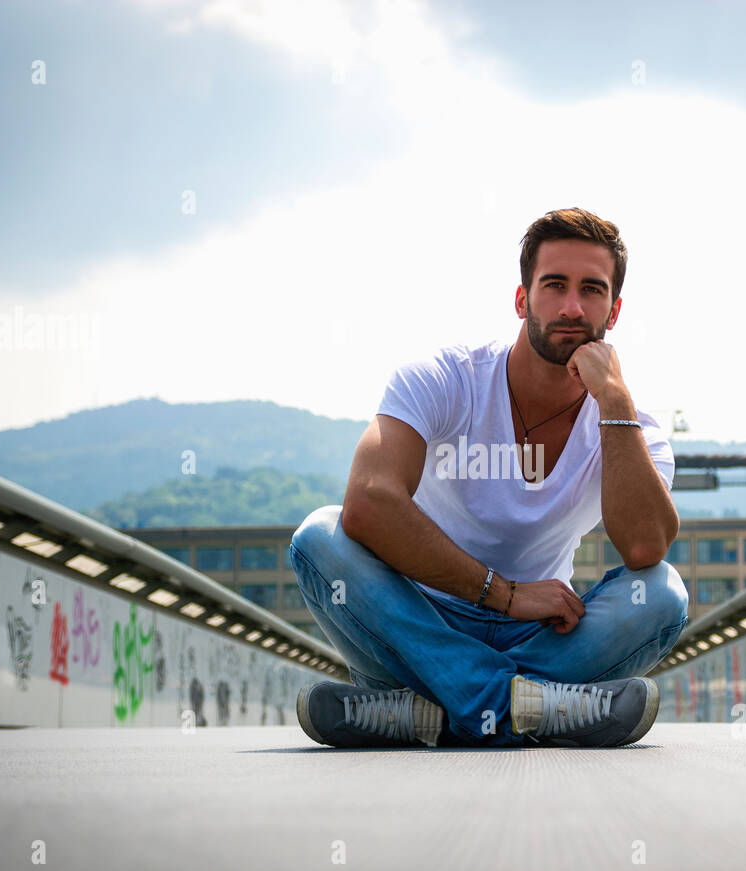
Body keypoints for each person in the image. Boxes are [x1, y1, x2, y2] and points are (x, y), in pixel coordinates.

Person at [290, 207, 688, 749]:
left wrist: (614, 401)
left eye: (592, 290)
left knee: (662, 594)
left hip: (546, 631)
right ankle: (527, 706)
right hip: (420, 614)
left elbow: (645, 546)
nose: (572, 307)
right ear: (522, 300)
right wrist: (503, 594)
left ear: (614, 311)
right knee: (319, 537)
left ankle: (423, 711)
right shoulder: (447, 377)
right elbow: (369, 500)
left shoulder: (630, 427)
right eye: (554, 285)